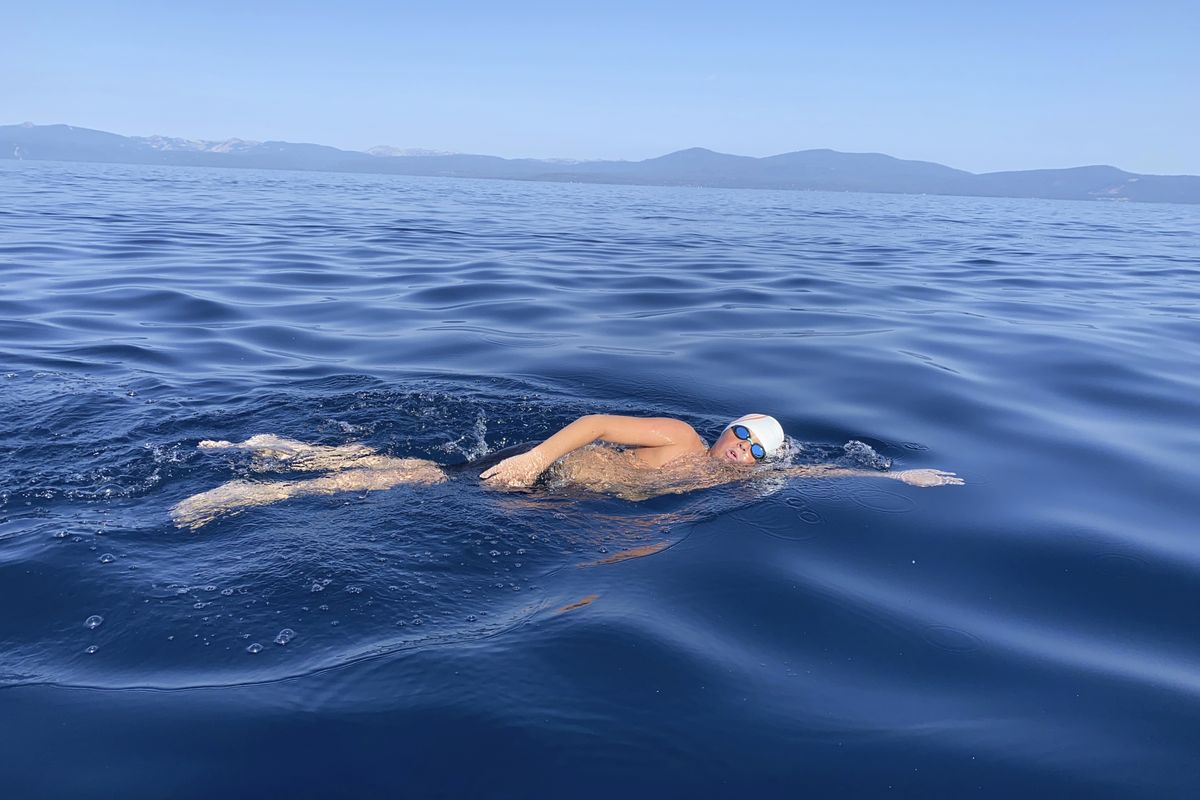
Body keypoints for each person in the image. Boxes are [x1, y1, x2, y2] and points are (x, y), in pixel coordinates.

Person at [169, 413, 962, 530]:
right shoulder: (679, 437)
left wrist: (897, 481)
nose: (740, 452)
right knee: (410, 475)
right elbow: (592, 423)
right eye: (740, 438)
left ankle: (272, 452)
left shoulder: (732, 484)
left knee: (407, 469)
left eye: (757, 452)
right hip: (538, 471)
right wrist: (535, 458)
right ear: (725, 430)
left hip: (556, 496)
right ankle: (260, 479)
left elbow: (820, 477)